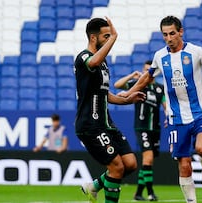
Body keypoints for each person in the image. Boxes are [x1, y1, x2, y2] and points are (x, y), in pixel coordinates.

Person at [119, 15, 202, 203]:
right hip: (176, 118)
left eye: (172, 33)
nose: (169, 38)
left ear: (181, 32)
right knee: (184, 164)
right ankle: (191, 202)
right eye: (165, 34)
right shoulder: (160, 56)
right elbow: (147, 78)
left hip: (200, 113)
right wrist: (130, 92)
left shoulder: (196, 52)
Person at [74, 17, 146, 203]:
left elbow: (106, 95)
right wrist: (114, 38)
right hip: (90, 125)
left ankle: (94, 186)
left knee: (130, 164)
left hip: (106, 123)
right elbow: (93, 62)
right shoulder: (83, 58)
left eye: (109, 36)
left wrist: (128, 99)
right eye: (105, 36)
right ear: (93, 38)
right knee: (116, 167)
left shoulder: (103, 64)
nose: (108, 39)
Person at [114, 60, 166, 201]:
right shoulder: (138, 85)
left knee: (147, 162)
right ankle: (150, 193)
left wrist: (168, 117)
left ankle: (138, 193)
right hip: (142, 127)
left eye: (150, 70)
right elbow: (117, 85)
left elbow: (166, 105)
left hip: (155, 128)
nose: (147, 72)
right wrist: (132, 75)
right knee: (148, 159)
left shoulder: (160, 88)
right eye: (145, 70)